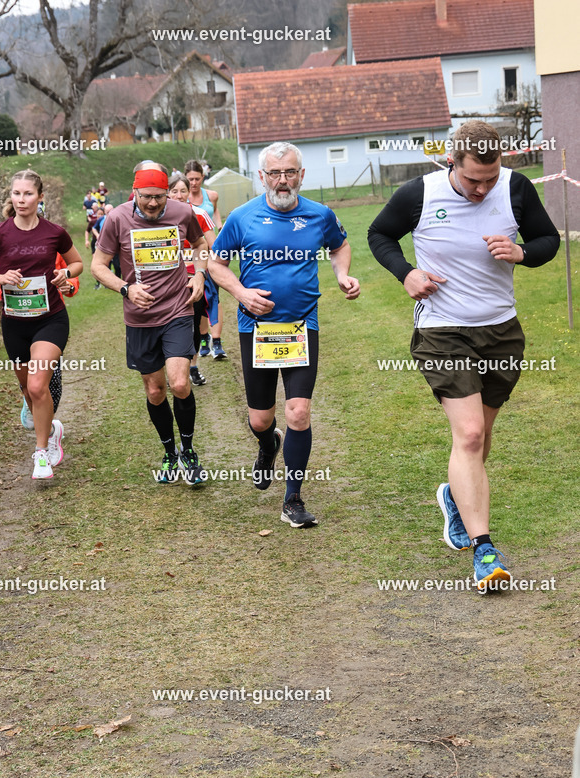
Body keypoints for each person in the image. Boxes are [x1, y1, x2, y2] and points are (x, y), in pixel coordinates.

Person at [368, 120, 560, 591]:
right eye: (473, 179)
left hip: (501, 332)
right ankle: (484, 551)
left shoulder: (514, 188)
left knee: (480, 436)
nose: (482, 188)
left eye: (489, 179)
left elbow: (548, 241)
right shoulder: (419, 194)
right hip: (442, 331)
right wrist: (406, 274)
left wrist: (521, 252)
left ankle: (455, 496)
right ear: (452, 162)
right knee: (470, 434)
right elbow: (379, 235)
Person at [209, 141, 360, 527]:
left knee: (298, 412)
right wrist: (240, 292)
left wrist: (341, 275)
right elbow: (216, 263)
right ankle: (267, 444)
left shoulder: (320, 215)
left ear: (301, 175)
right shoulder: (242, 218)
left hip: (301, 327)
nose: (282, 180)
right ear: (262, 177)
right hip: (256, 330)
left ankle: (293, 498)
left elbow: (340, 246)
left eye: (289, 172)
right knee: (261, 419)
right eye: (274, 173)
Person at [91, 163, 208, 485]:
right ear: (135, 192)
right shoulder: (117, 219)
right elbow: (98, 266)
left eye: (159, 197)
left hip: (178, 309)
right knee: (156, 391)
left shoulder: (183, 213)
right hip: (140, 318)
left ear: (167, 194)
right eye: (146, 198)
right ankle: (169, 453)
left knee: (180, 384)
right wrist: (126, 289)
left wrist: (198, 273)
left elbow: (200, 246)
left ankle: (188, 451)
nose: (153, 204)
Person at [0, 169, 83, 480]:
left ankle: (41, 452)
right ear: (11, 196)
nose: (21, 199)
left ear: (40, 197)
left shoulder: (54, 232)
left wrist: (66, 275)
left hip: (50, 320)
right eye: (16, 193)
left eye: (28, 193)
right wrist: (0, 277)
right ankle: (53, 429)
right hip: (15, 323)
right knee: (27, 390)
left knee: (36, 385)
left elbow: (77, 263)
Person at [0, 251, 78, 429]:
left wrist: (69, 286)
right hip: (17, 323)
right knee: (29, 385)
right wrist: (6, 292)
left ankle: (47, 430)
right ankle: (37, 412)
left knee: (49, 383)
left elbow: (70, 273)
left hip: (49, 322)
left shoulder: (52, 241)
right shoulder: (4, 244)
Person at [168, 172, 218, 386]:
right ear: (167, 193)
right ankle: (173, 370)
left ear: (190, 193)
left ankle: (193, 366)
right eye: (174, 191)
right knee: (169, 325)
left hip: (193, 278)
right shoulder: (160, 218)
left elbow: (212, 246)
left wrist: (198, 268)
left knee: (194, 323)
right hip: (168, 280)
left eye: (183, 191)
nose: (179, 196)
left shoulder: (198, 214)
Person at [184, 159, 226, 359]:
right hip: (190, 256)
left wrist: (218, 224)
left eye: (197, 178)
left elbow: (214, 211)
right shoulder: (180, 199)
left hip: (211, 249)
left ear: (202, 177)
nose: (193, 183)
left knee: (214, 298)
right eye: (190, 179)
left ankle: (217, 342)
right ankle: (203, 338)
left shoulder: (211, 196)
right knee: (197, 301)